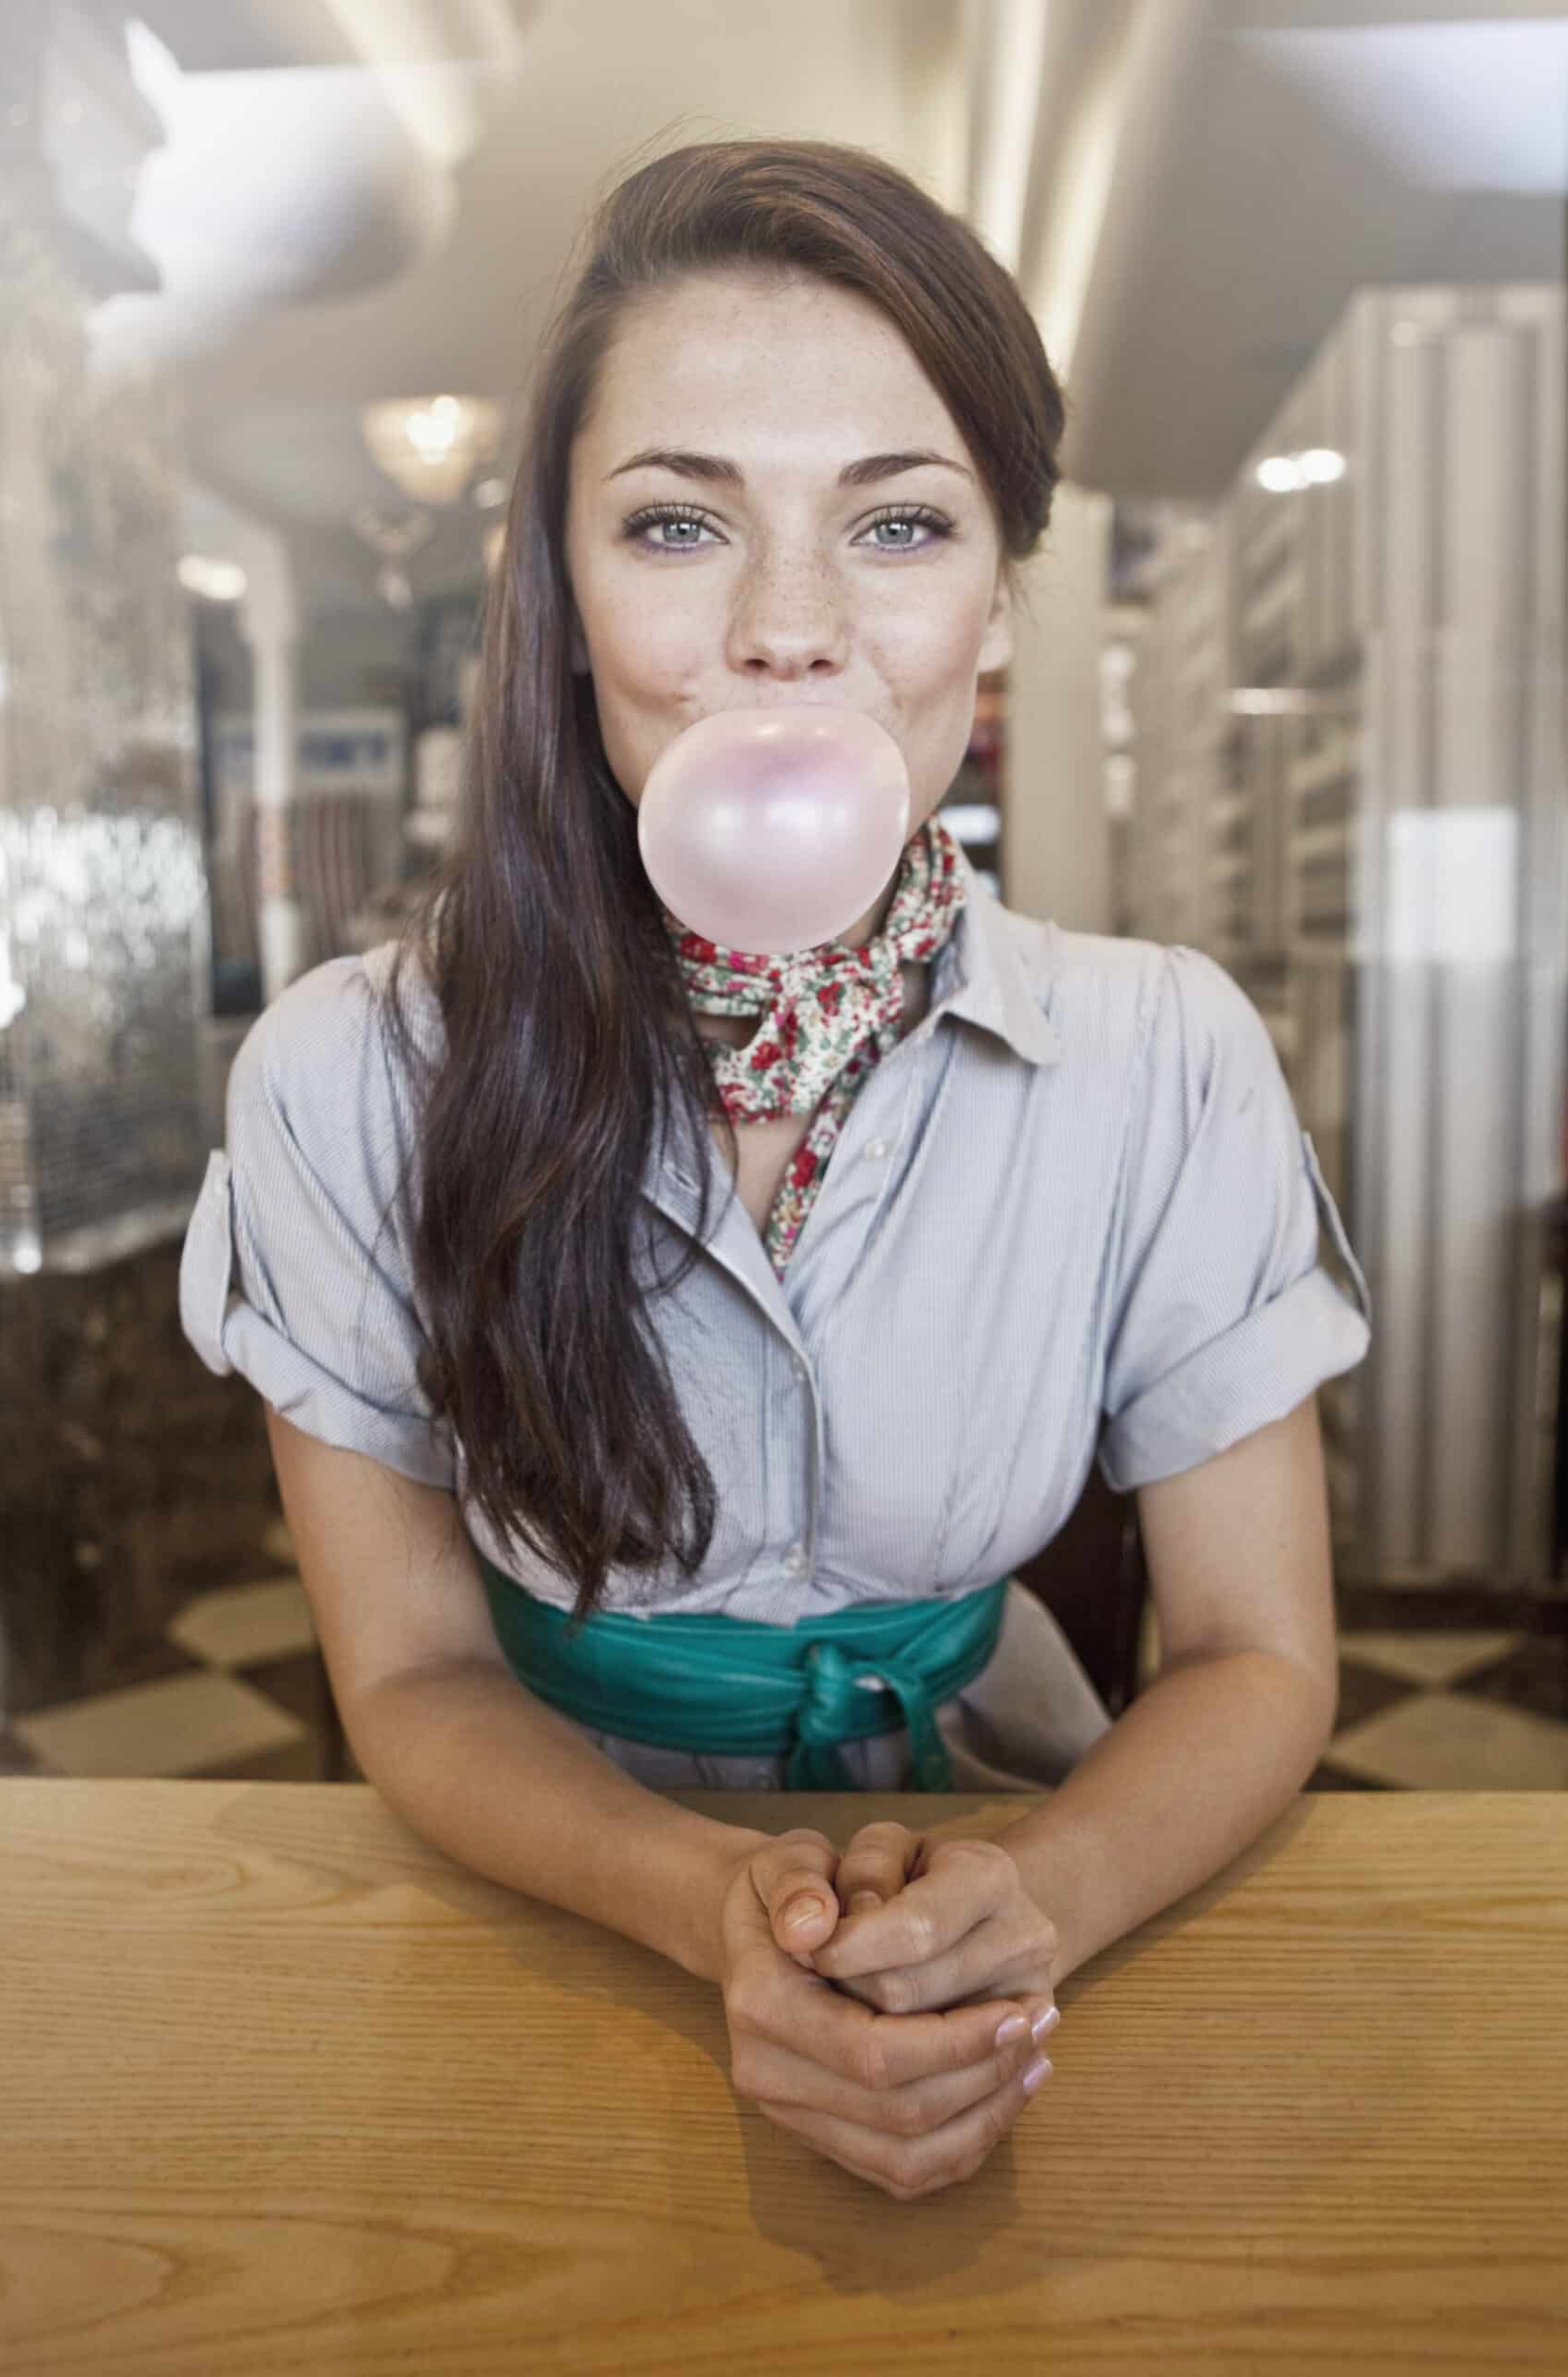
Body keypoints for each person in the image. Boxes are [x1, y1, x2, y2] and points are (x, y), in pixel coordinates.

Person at [179, 136, 1372, 2203]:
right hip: (552, 1898)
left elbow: (1256, 1650)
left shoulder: (1162, 1053)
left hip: (1026, 1878)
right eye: (675, 523)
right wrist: (702, 1904)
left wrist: (1037, 1890)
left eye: (896, 522)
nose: (790, 632)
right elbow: (413, 1668)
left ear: (996, 593)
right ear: (555, 596)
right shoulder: (344, 1083)